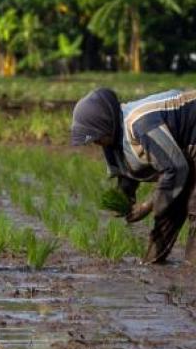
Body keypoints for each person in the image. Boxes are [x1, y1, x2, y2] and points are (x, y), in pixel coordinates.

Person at [71, 88, 196, 264]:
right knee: (167, 210)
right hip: (182, 156)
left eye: (97, 137)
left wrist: (146, 206)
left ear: (107, 124)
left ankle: (191, 273)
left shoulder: (140, 123)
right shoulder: (112, 143)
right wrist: (124, 200)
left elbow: (176, 168)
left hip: (190, 141)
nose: (96, 143)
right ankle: (153, 265)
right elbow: (127, 175)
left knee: (192, 207)